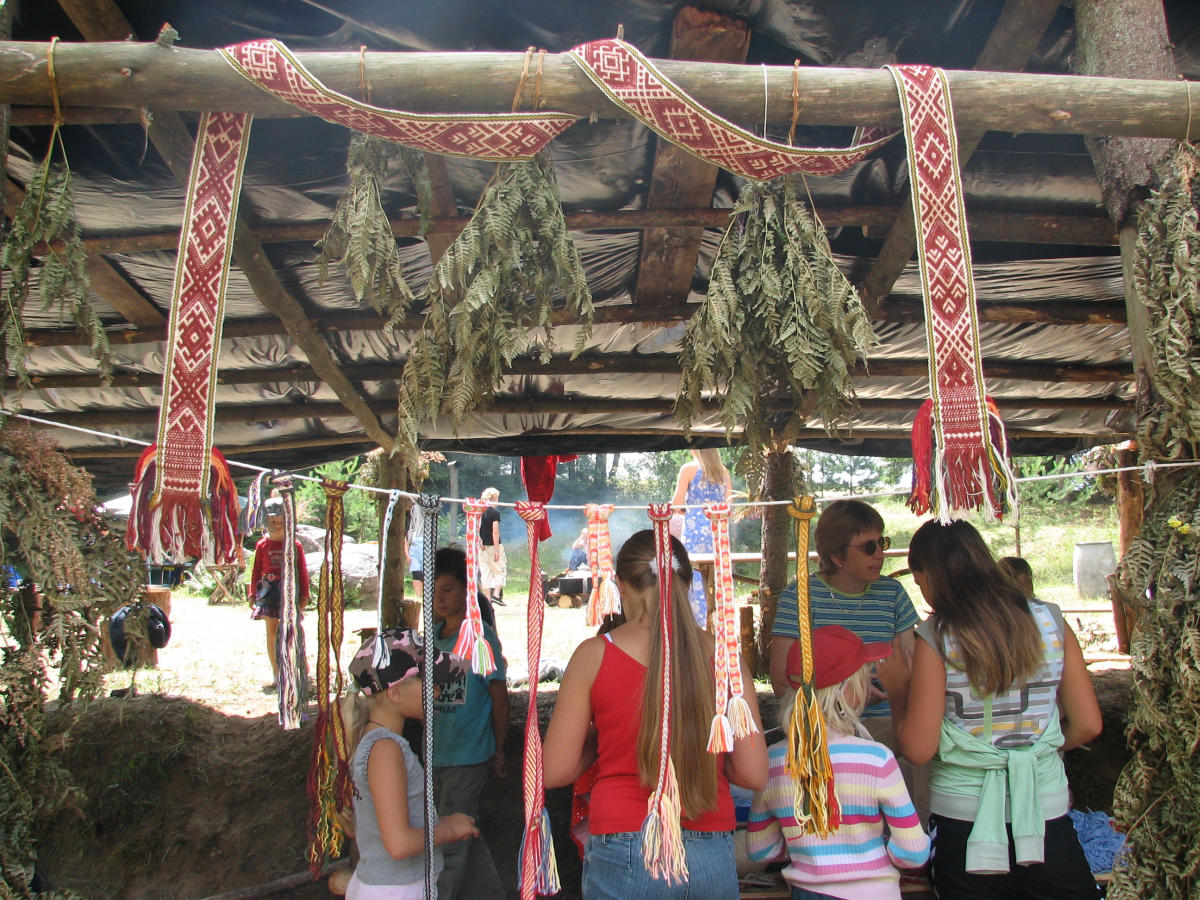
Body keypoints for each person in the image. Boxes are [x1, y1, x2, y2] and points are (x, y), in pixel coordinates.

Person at [877, 519, 1103, 900]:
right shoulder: (1052, 621)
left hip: (964, 818)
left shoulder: (937, 637)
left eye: (920, 582)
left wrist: (899, 692)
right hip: (1045, 811)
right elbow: (1088, 724)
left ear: (928, 574)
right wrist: (1034, 752)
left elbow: (918, 749)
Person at [543, 529, 768, 899]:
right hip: (710, 847)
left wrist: (603, 737)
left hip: (625, 844)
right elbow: (753, 773)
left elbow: (555, 771)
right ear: (688, 583)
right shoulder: (725, 659)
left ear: (620, 586)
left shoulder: (593, 656)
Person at [747, 625, 929, 900]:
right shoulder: (877, 760)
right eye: (863, 677)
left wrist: (801, 849)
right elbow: (913, 853)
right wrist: (880, 848)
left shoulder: (772, 761)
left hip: (807, 893)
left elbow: (760, 849)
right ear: (846, 689)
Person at [342, 627, 478, 900]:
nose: (438, 691)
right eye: (429, 681)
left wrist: (446, 821)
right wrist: (449, 829)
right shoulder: (385, 749)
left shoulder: (378, 742)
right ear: (395, 692)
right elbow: (399, 843)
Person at [430, 546, 509, 899]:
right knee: (448, 831)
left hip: (468, 757)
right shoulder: (432, 637)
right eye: (434, 590)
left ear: (467, 590)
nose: (439, 598)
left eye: (447, 589)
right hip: (435, 755)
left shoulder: (481, 638)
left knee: (451, 840)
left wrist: (499, 749)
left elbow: (499, 700)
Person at [249, 496, 310, 692]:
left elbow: (302, 571)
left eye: (280, 521)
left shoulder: (295, 545)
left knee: (291, 631)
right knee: (272, 633)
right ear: (266, 522)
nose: (276, 525)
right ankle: (277, 673)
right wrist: (252, 594)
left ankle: (295, 669)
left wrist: (304, 596)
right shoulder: (262, 545)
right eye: (272, 521)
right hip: (268, 591)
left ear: (288, 521)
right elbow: (256, 570)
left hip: (289, 591)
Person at [671, 449, 732, 626]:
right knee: (717, 570)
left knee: (694, 571)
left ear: (695, 449)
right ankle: (718, 617)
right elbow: (729, 505)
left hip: (695, 528)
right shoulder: (723, 471)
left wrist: (689, 510)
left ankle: (696, 619)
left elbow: (676, 504)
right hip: (717, 528)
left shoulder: (687, 469)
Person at [478, 487, 506, 606]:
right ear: (494, 498)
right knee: (500, 570)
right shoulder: (494, 513)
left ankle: (487, 601)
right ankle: (496, 595)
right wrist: (496, 550)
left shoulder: (479, 511)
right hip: (492, 546)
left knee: (486, 573)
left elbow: (477, 528)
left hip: (482, 547)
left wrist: (479, 540)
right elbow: (495, 531)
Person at [404, 500, 427, 600]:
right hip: (414, 557)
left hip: (425, 556)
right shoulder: (410, 532)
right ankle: (418, 594)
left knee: (424, 575)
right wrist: (408, 556)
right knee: (416, 574)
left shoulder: (426, 531)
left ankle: (425, 594)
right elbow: (406, 544)